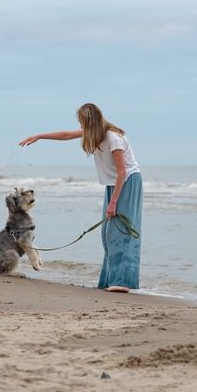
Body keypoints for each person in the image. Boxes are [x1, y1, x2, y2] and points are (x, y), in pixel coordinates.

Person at [19, 103, 142, 293]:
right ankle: (110, 279)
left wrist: (114, 202)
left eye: (83, 123)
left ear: (91, 121)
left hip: (127, 182)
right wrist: (40, 136)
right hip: (114, 183)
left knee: (120, 230)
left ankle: (123, 282)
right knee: (107, 232)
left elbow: (122, 172)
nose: (81, 128)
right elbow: (67, 135)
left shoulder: (113, 137)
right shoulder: (95, 133)